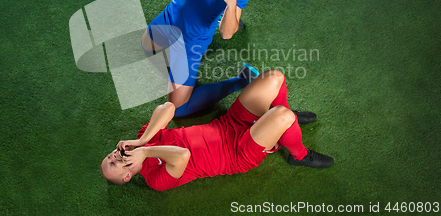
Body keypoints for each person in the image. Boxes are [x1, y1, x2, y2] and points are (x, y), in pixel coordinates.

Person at [100, 69, 334, 191]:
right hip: (237, 153)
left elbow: (168, 107)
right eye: (112, 163)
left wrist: (143, 142)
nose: (113, 156)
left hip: (228, 124)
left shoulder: (144, 140)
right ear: (127, 176)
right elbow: (183, 156)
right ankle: (299, 155)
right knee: (282, 114)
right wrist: (147, 153)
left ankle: (286, 126)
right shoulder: (155, 180)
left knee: (275, 78)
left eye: (109, 156)